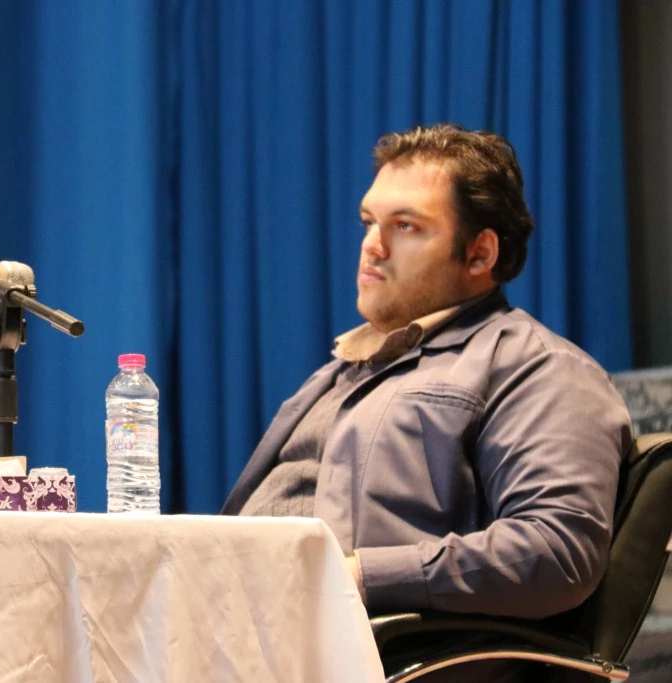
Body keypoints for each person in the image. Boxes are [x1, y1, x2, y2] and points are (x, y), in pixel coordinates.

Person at [222, 124, 632, 677]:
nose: (373, 246)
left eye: (406, 226)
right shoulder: (340, 372)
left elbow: (556, 550)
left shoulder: (539, 368)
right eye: (369, 222)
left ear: (480, 253)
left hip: (359, 659)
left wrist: (358, 575)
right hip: (235, 638)